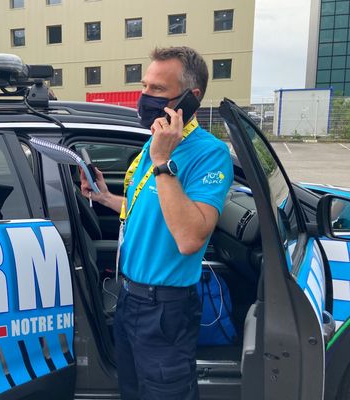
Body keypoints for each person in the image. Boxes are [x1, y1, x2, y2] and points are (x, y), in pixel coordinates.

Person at [80, 46, 233, 400]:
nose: (144, 97)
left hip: (165, 308)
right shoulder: (156, 141)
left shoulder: (208, 153)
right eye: (144, 86)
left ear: (190, 99)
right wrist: (106, 198)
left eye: (157, 90)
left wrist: (163, 161)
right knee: (132, 391)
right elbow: (151, 210)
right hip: (130, 299)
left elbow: (190, 237)